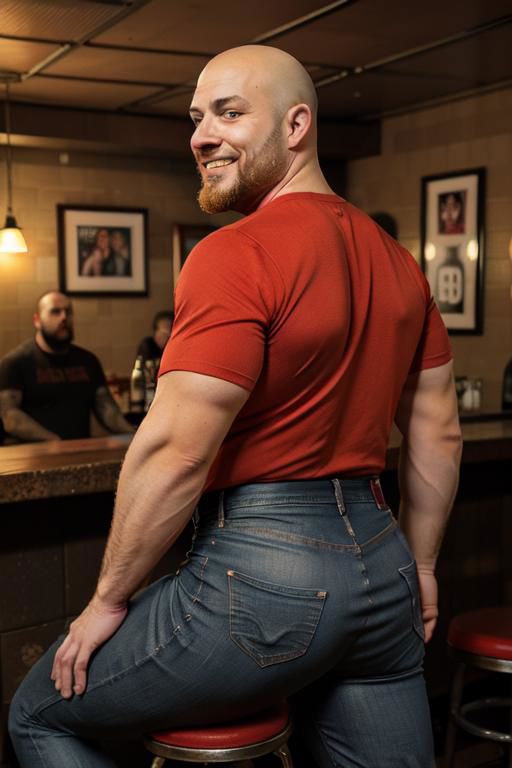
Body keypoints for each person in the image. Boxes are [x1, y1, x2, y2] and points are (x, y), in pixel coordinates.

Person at [9, 45, 462, 768]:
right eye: (195, 118)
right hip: (386, 574)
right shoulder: (398, 261)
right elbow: (438, 430)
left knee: (36, 715)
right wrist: (426, 567)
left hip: (264, 575)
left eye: (229, 112)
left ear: (297, 125)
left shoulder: (233, 253)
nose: (200, 136)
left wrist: (107, 600)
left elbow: (175, 451)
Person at [0, 290, 134, 442]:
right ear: (37, 320)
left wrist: (135, 434)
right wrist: (53, 441)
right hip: (32, 458)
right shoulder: (15, 362)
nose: (64, 317)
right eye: (55, 312)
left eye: (68, 312)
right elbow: (10, 417)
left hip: (79, 453)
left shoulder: (88, 361)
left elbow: (107, 410)